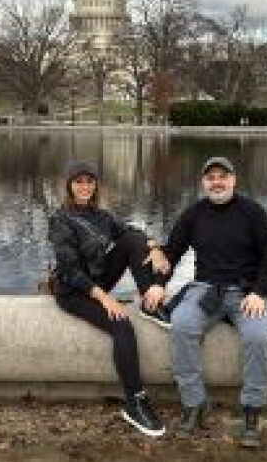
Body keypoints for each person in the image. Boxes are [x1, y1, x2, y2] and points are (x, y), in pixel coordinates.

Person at [143, 156, 267, 448]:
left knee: (259, 336)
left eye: (222, 176)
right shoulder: (193, 214)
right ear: (203, 183)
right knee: (182, 326)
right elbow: (171, 254)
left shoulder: (254, 212)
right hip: (205, 289)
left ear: (234, 180)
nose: (217, 182)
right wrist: (159, 286)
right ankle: (194, 404)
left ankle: (251, 411)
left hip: (246, 291)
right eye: (211, 177)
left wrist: (259, 293)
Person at [47, 160, 170, 437]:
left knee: (132, 241)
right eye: (78, 181)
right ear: (69, 185)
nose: (84, 186)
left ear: (95, 185)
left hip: (99, 279)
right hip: (73, 290)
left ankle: (150, 302)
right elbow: (70, 270)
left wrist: (154, 247)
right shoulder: (60, 220)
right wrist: (105, 299)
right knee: (122, 325)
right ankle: (135, 402)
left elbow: (130, 232)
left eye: (89, 181)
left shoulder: (100, 215)